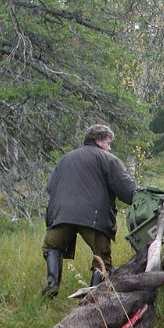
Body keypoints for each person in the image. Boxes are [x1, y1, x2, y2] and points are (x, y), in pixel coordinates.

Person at [41, 124, 139, 298]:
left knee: (52, 247)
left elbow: (50, 187)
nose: (110, 147)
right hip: (94, 217)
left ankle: (52, 286)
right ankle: (92, 297)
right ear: (99, 140)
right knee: (101, 258)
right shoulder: (108, 159)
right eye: (109, 143)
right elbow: (128, 191)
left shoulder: (66, 158)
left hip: (61, 214)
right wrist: (142, 196)